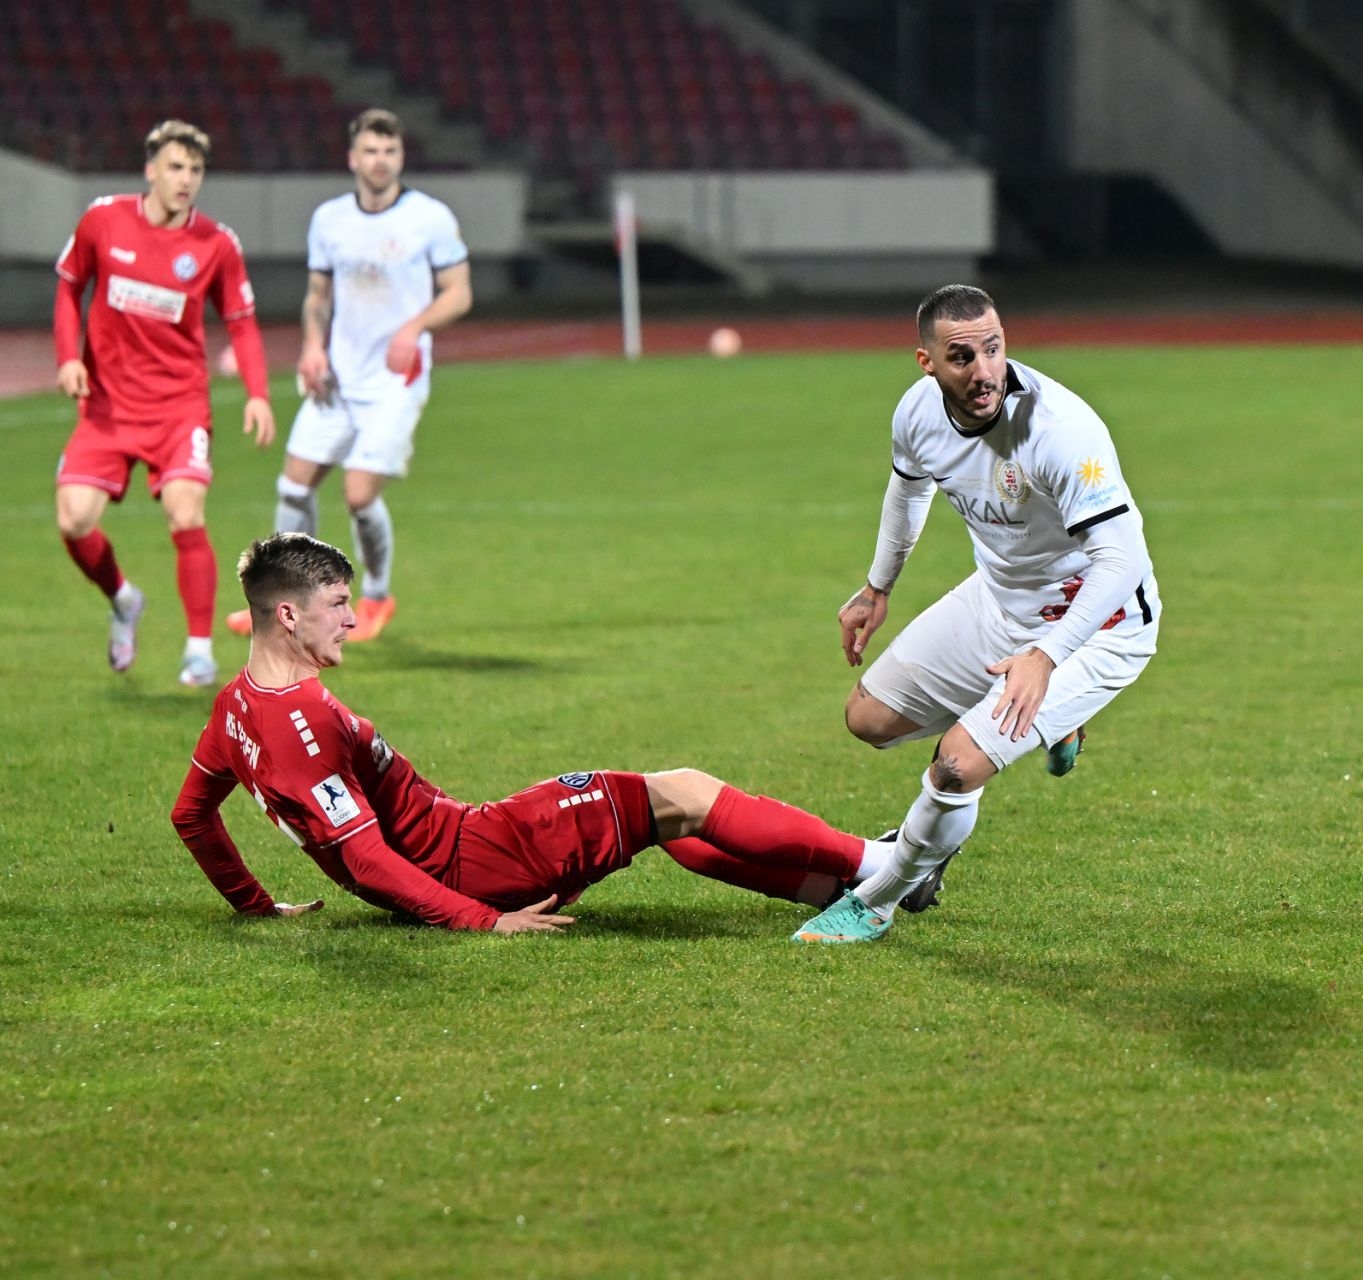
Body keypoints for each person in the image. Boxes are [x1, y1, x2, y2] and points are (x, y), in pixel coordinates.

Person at [175, 533, 897, 933]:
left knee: (663, 822)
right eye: (337, 604)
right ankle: (885, 866)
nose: (353, 620)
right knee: (681, 791)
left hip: (469, 842)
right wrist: (485, 922)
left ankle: (826, 889)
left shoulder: (237, 707)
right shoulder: (302, 727)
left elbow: (192, 815)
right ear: (289, 616)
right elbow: (366, 860)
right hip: (476, 862)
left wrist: (253, 904)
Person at [793, 285, 1162, 944]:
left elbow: (1123, 561)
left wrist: (1045, 659)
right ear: (926, 362)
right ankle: (1058, 726)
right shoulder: (917, 413)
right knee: (867, 720)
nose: (984, 369)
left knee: (957, 766)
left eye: (993, 348)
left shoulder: (1060, 431)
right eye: (962, 356)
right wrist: (877, 588)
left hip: (1095, 627)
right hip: (997, 601)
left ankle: (878, 899)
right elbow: (909, 489)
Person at [225, 109, 471, 644]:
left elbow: (459, 292)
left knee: (358, 494)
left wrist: (415, 326)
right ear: (352, 158)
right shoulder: (330, 219)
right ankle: (283, 605)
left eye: (390, 151)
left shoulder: (429, 217)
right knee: (293, 485)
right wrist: (313, 349)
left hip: (394, 380)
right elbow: (318, 297)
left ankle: (378, 595)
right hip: (339, 377)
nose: (380, 161)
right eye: (371, 151)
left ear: (400, 157)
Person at [54, 119, 276, 687]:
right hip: (106, 407)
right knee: (74, 520)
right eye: (175, 167)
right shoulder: (103, 219)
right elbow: (69, 284)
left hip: (179, 409)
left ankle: (198, 651)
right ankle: (124, 599)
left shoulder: (216, 244)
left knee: (185, 511)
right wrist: (67, 357)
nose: (186, 179)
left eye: (196, 170)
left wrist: (258, 394)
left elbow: (242, 324)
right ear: (150, 170)